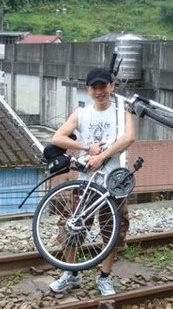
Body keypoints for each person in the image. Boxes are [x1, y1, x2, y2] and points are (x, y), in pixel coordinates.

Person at [49, 67, 136, 296]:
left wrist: (102, 157)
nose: (99, 91)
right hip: (85, 182)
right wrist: (86, 147)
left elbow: (129, 137)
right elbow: (58, 137)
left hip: (114, 182)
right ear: (88, 89)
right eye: (94, 87)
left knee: (114, 233)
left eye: (103, 86)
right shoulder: (82, 113)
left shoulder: (122, 110)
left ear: (112, 86)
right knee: (72, 227)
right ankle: (71, 273)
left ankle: (105, 278)